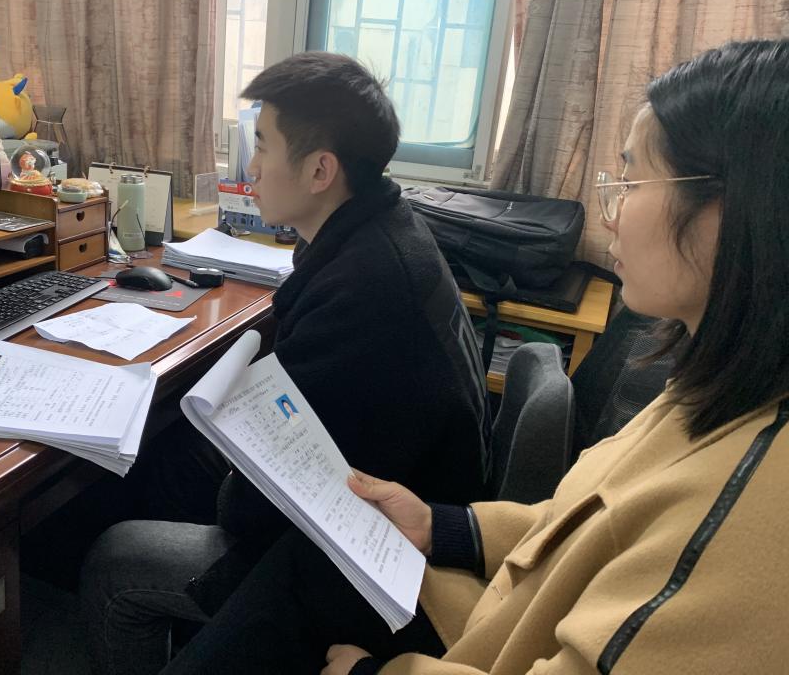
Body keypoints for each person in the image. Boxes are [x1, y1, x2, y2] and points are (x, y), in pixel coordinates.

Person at [155, 39, 789, 675]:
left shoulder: (755, 500)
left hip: (485, 637)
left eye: (632, 181)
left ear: (737, 209)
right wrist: (447, 527)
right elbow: (579, 522)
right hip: (493, 598)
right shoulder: (712, 386)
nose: (613, 214)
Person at [81, 52, 492, 674]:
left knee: (119, 554)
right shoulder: (380, 230)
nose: (251, 167)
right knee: (168, 457)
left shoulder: (363, 291)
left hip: (378, 565)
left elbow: (250, 510)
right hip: (389, 500)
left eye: (264, 146)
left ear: (320, 169)